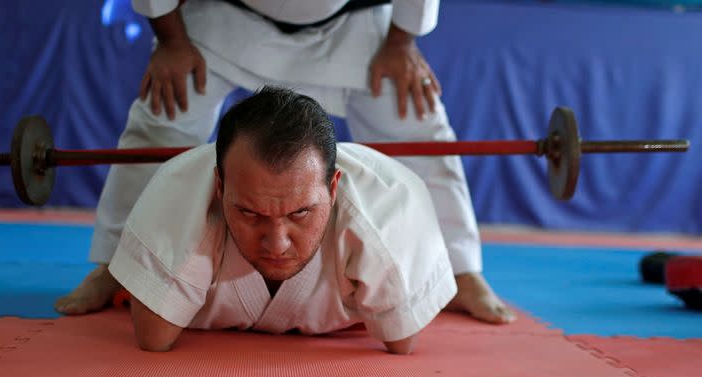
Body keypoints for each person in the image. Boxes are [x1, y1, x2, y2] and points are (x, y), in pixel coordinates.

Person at [55, 0, 516, 324]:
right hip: (223, 18)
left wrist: (400, 44)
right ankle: (114, 265)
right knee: (162, 119)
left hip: (354, 26)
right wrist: (171, 41)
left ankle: (461, 270)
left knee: (417, 120)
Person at [109, 87, 457, 354]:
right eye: (249, 212)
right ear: (219, 185)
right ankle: (109, 272)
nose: (276, 244)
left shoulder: (387, 212)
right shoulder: (178, 195)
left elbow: (401, 342)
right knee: (144, 314)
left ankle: (466, 280)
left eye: (300, 213)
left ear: (334, 188)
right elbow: (154, 339)